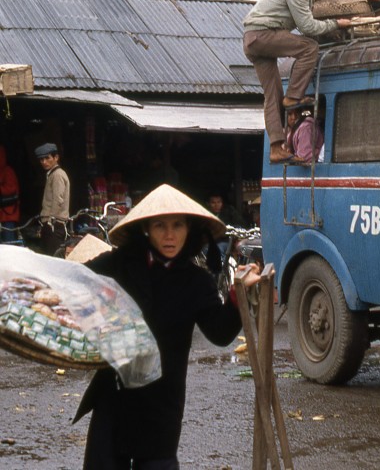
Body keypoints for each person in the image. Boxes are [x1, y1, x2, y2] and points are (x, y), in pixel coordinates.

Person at [74, 183, 260, 468]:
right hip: (115, 396)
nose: (170, 235)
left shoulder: (197, 281)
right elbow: (78, 280)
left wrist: (238, 296)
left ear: (190, 229)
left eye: (178, 226)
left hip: (162, 402)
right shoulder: (121, 262)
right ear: (146, 228)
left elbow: (220, 334)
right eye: (160, 226)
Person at [243, 0, 353, 164]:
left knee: (273, 95)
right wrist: (336, 24)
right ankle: (293, 96)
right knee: (309, 47)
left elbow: (306, 25)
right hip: (263, 35)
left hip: (252, 40)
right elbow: (308, 26)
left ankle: (276, 148)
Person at [35, 142, 70, 255]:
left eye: (47, 158)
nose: (44, 162)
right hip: (51, 223)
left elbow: (58, 200)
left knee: (53, 260)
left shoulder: (57, 175)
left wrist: (51, 221)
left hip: (55, 224)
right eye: (41, 159)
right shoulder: (52, 174)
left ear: (56, 157)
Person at [0, 145, 19, 243]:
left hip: (8, 214)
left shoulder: (8, 171)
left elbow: (11, 189)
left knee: (9, 244)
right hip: (3, 214)